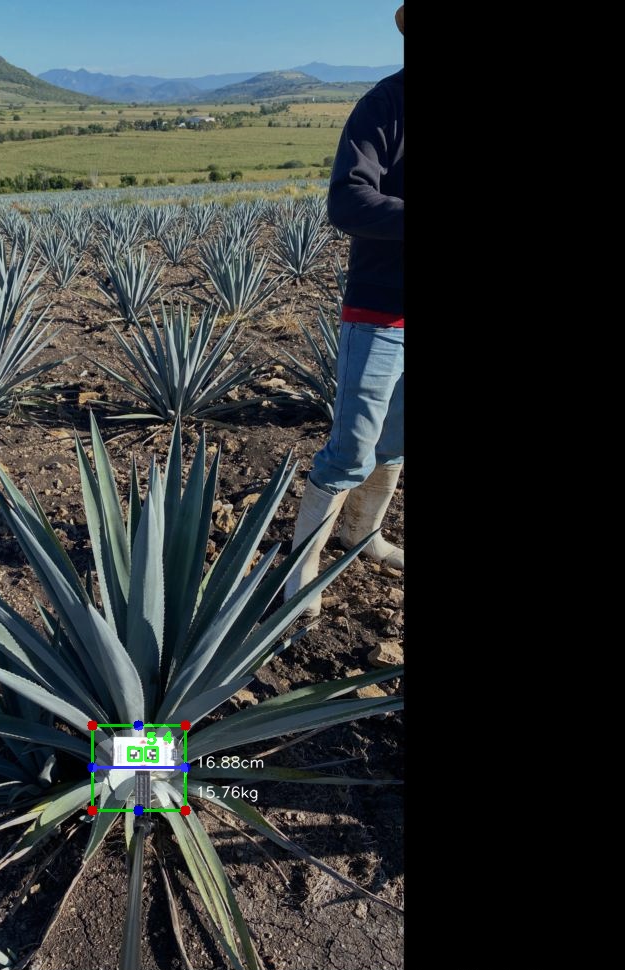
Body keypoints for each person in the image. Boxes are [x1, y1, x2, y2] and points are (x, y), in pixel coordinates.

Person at [284, 4, 404, 616]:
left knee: (397, 441)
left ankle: (364, 535)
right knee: (351, 448)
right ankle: (301, 573)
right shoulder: (384, 106)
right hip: (380, 311)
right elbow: (347, 200)